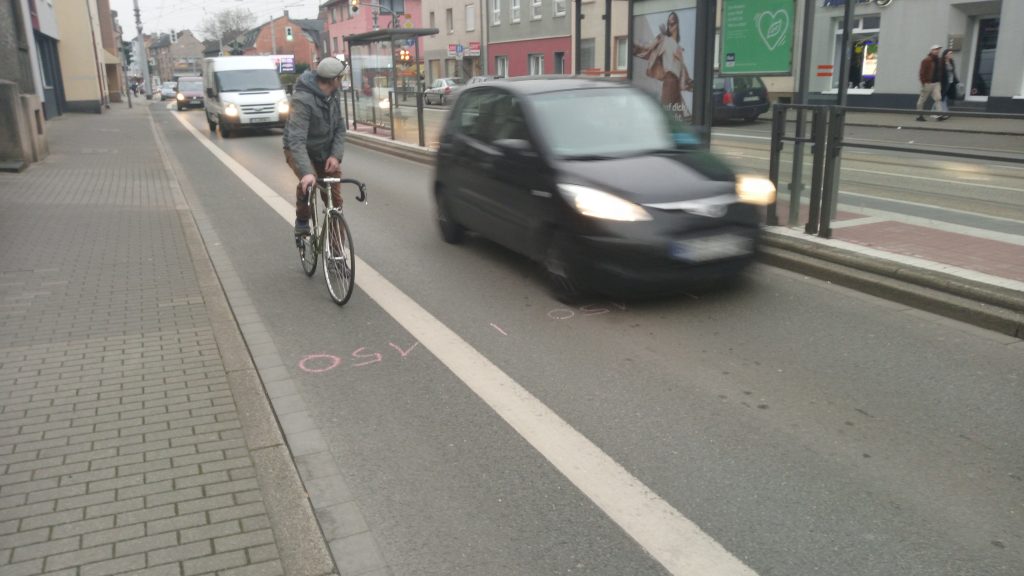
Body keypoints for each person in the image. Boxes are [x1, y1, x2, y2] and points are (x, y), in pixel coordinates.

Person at [283, 56, 348, 239]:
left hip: (325, 152)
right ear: (334, 80)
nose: (341, 82)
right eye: (341, 78)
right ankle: (302, 220)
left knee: (334, 202)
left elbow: (340, 128)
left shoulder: (333, 95)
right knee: (309, 183)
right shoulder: (302, 101)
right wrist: (306, 172)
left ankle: (336, 257)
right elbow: (296, 141)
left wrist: (335, 156)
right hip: (298, 150)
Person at [633, 11, 694, 119]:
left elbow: (682, 72)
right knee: (667, 118)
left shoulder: (678, 47)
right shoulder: (665, 39)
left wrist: (681, 59)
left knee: (678, 121)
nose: (670, 26)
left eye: (672, 23)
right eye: (668, 23)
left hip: (676, 86)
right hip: (669, 82)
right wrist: (634, 45)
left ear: (677, 25)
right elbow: (648, 47)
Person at [916, 44, 943, 122]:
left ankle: (939, 115)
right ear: (931, 50)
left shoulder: (939, 60)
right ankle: (919, 115)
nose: (937, 51)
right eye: (935, 49)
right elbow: (922, 73)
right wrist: (924, 83)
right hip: (928, 83)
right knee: (922, 99)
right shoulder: (926, 60)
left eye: (938, 49)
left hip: (936, 83)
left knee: (938, 98)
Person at [938, 48, 958, 121]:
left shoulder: (951, 61)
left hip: (950, 82)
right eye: (950, 53)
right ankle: (944, 112)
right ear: (945, 55)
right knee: (942, 97)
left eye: (952, 53)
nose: (951, 55)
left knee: (945, 97)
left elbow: (953, 72)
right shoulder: (941, 61)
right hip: (943, 82)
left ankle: (943, 112)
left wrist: (957, 81)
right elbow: (939, 73)